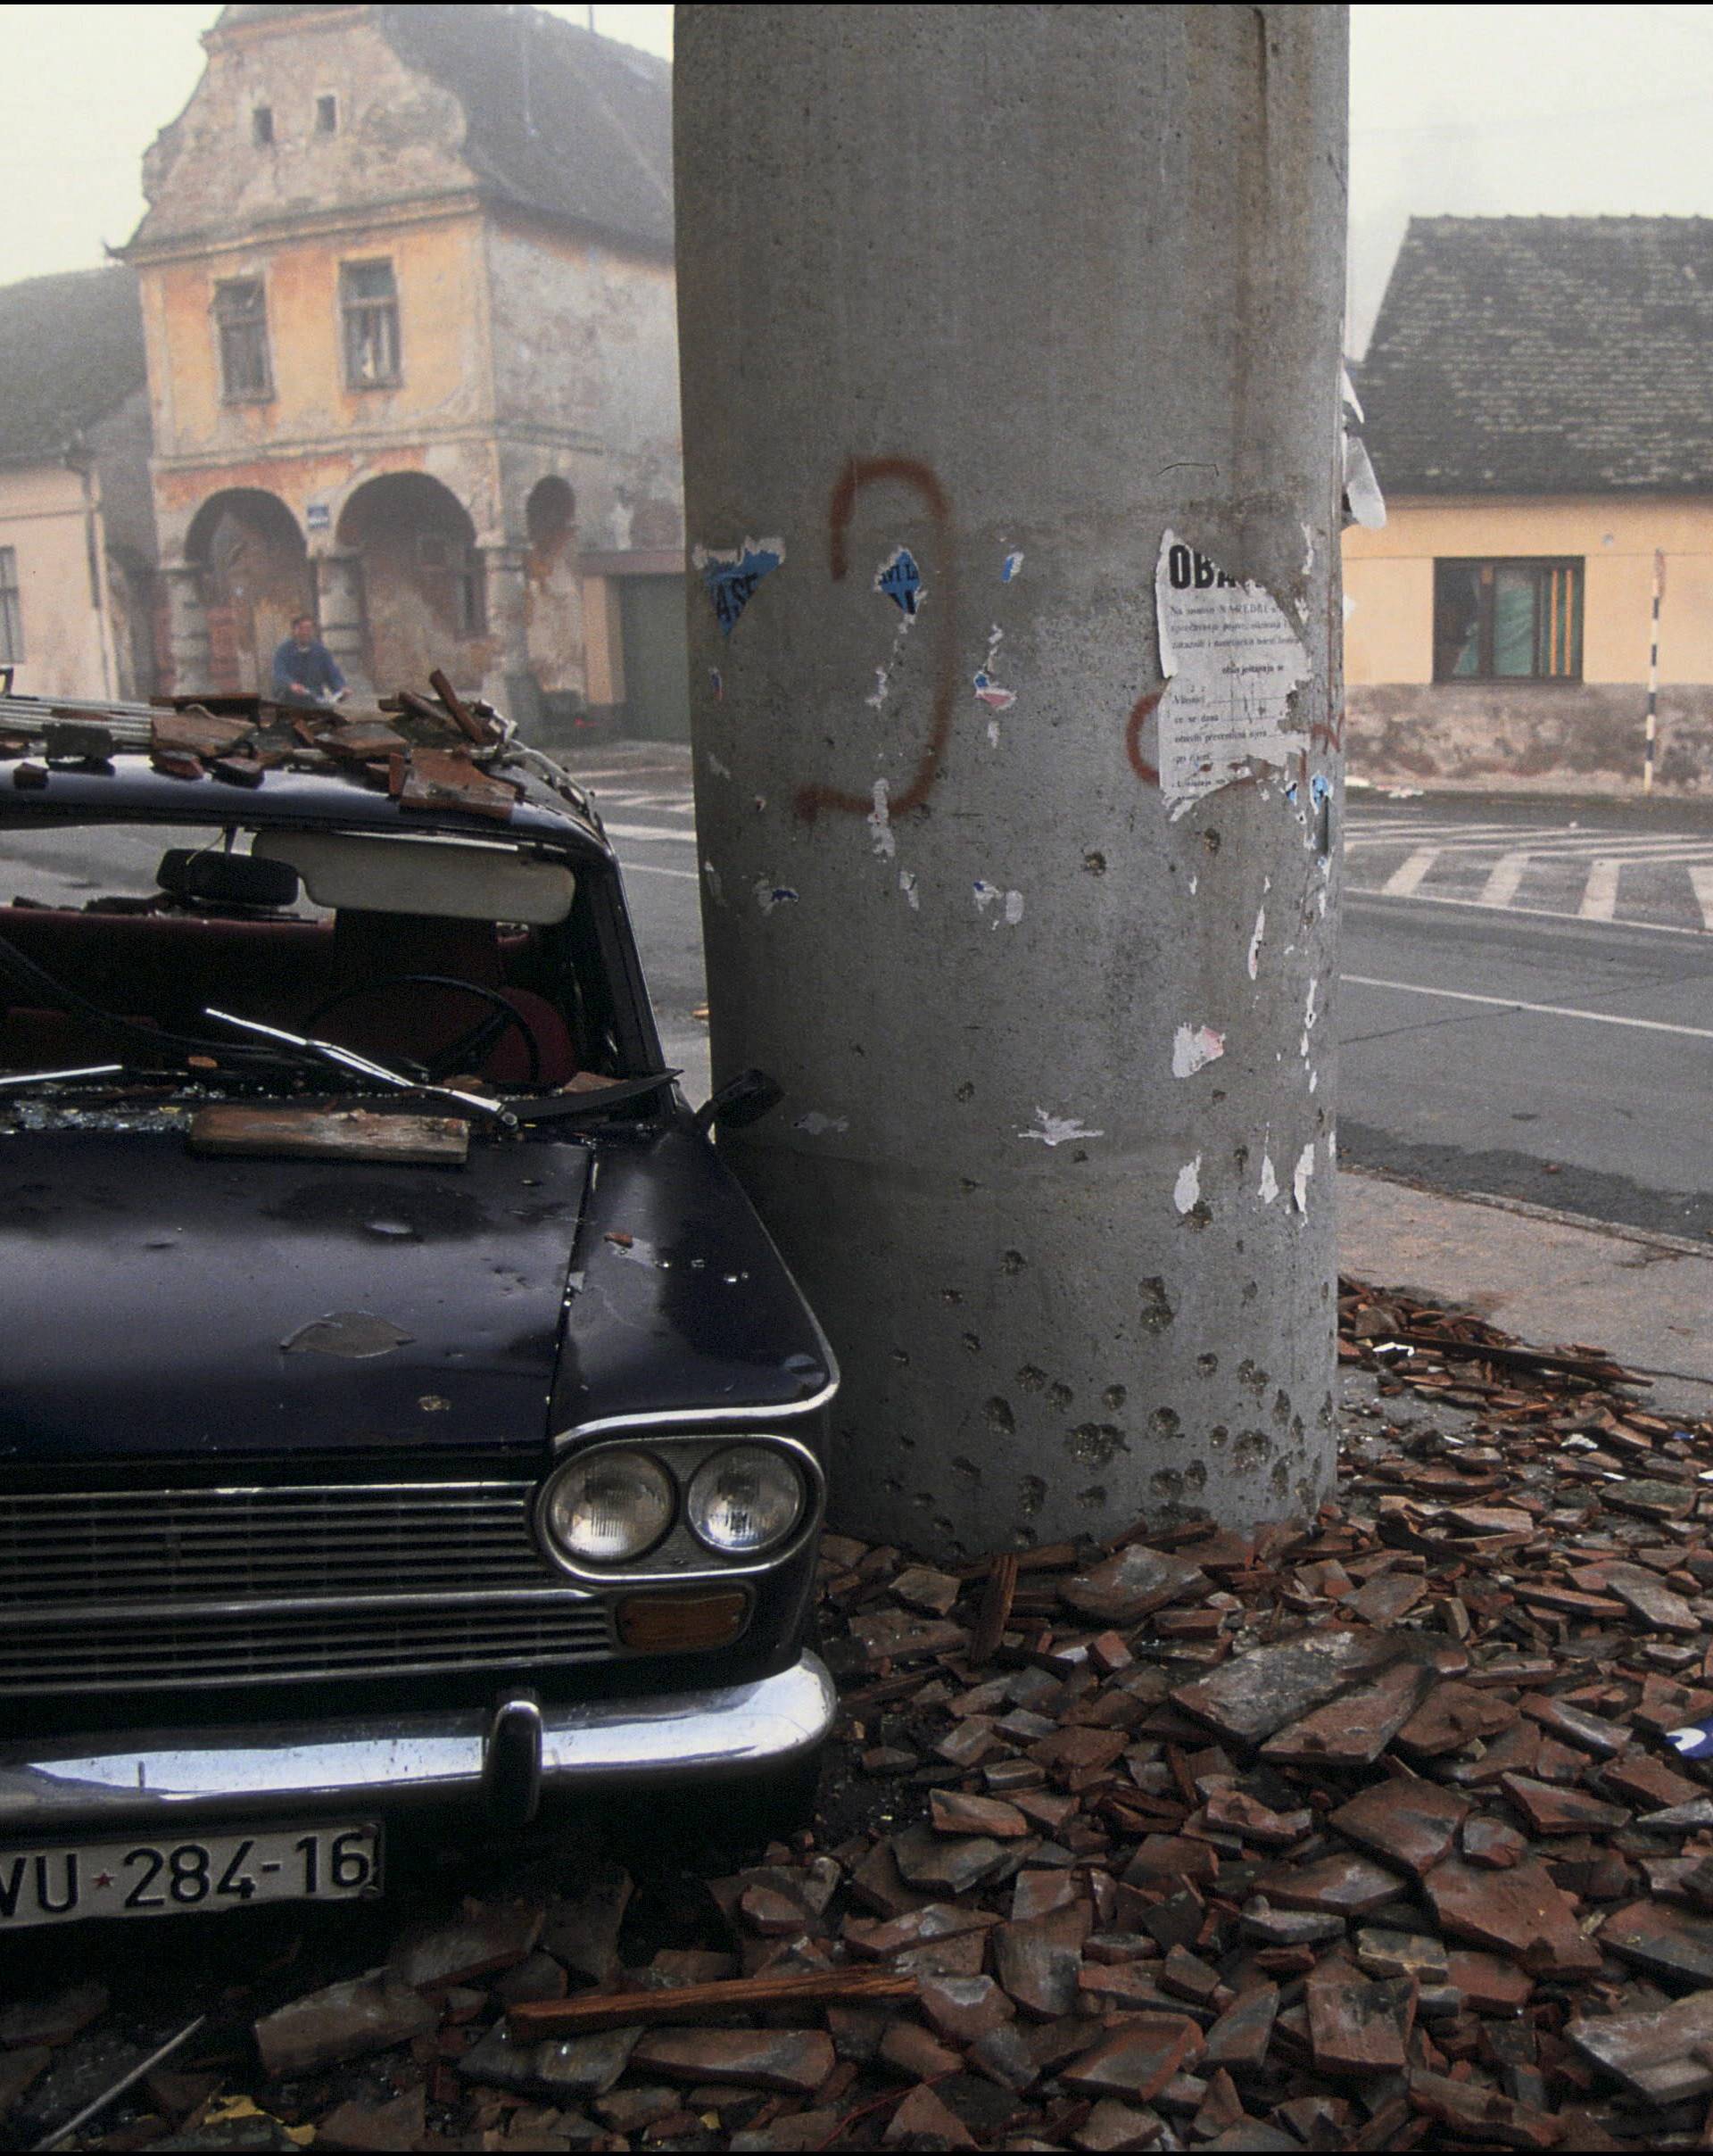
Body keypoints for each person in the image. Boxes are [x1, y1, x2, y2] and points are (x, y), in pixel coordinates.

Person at [271, 615, 346, 708]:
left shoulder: (321, 651)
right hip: (289, 701)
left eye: (308, 629)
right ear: (294, 630)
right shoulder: (284, 650)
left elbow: (332, 673)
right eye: (301, 629)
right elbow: (279, 673)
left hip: (314, 699)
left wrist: (341, 688)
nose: (305, 632)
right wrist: (291, 685)